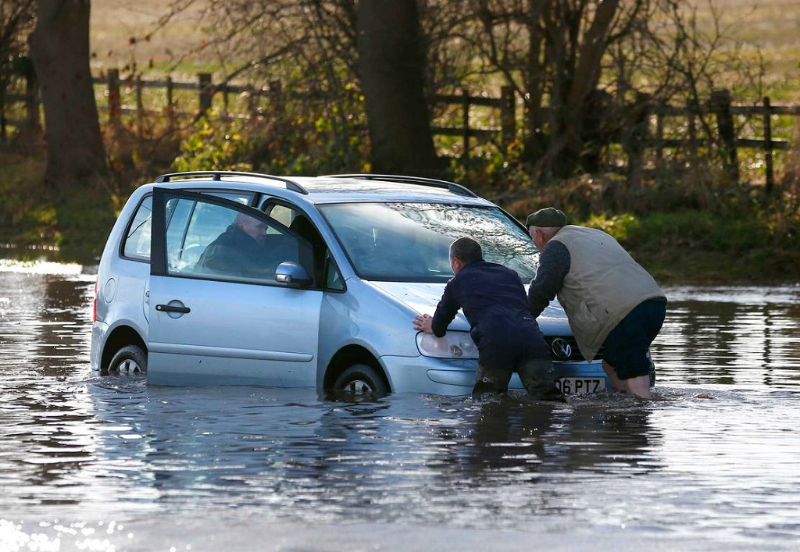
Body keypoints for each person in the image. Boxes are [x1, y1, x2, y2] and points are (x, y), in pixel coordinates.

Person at [525, 207, 667, 399]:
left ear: (538, 234)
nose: (534, 242)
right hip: (654, 302)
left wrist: (522, 318)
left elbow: (541, 290)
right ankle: (623, 412)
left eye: (531, 236)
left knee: (632, 367)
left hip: (624, 312)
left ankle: (640, 417)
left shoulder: (556, 247)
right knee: (610, 363)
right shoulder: (592, 234)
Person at [413, 236, 565, 402]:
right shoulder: (510, 274)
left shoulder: (458, 282)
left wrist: (433, 326)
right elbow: (523, 307)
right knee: (549, 400)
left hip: (496, 343)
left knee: (489, 403)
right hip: (532, 339)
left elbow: (441, 322)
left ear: (456, 262)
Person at [196, 212, 283, 279]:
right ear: (242, 225)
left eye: (265, 228)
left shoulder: (228, 241)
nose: (264, 233)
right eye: (259, 227)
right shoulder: (231, 247)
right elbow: (262, 274)